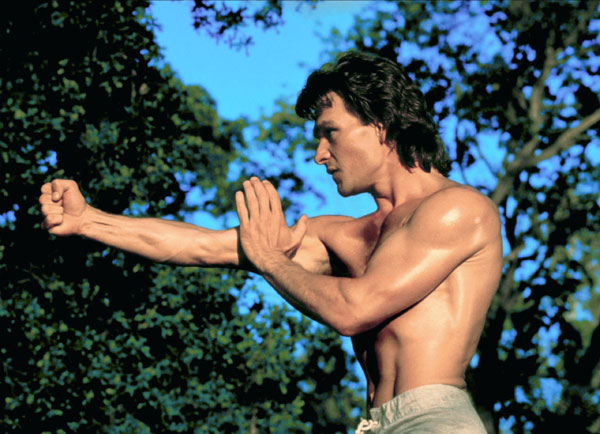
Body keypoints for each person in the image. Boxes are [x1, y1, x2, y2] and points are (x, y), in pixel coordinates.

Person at [40, 52, 502, 433]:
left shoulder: (458, 208)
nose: (319, 154)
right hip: (372, 423)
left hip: (434, 419)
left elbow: (353, 310)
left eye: (330, 133)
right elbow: (203, 247)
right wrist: (90, 221)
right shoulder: (343, 234)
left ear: (380, 125)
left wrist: (270, 260)